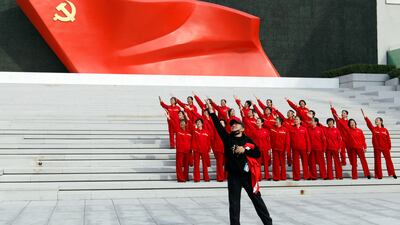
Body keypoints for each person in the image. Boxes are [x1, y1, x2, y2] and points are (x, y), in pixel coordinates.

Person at [207, 101, 273, 225]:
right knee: (234, 204)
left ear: (242, 128)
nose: (233, 126)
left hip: (247, 176)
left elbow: (257, 153)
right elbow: (218, 126)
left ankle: (268, 223)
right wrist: (211, 111)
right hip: (233, 177)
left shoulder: (247, 139)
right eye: (232, 125)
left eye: (236, 124)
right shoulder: (228, 139)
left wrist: (245, 150)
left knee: (257, 200)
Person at [361, 109, 397, 179]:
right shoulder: (374, 129)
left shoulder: (385, 130)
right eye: (375, 120)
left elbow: (388, 139)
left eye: (377, 120)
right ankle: (379, 175)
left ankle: (392, 173)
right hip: (377, 148)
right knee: (377, 161)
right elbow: (369, 124)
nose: (376, 121)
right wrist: (365, 117)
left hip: (385, 147)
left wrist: (389, 147)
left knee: (389, 160)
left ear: (381, 121)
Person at [290, 116, 311, 180]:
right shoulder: (291, 129)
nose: (296, 120)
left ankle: (306, 176)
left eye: (297, 119)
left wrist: (308, 148)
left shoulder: (304, 129)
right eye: (295, 119)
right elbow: (289, 139)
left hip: (303, 148)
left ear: (300, 121)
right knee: (296, 163)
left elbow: (307, 139)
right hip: (295, 148)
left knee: (305, 162)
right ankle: (296, 177)